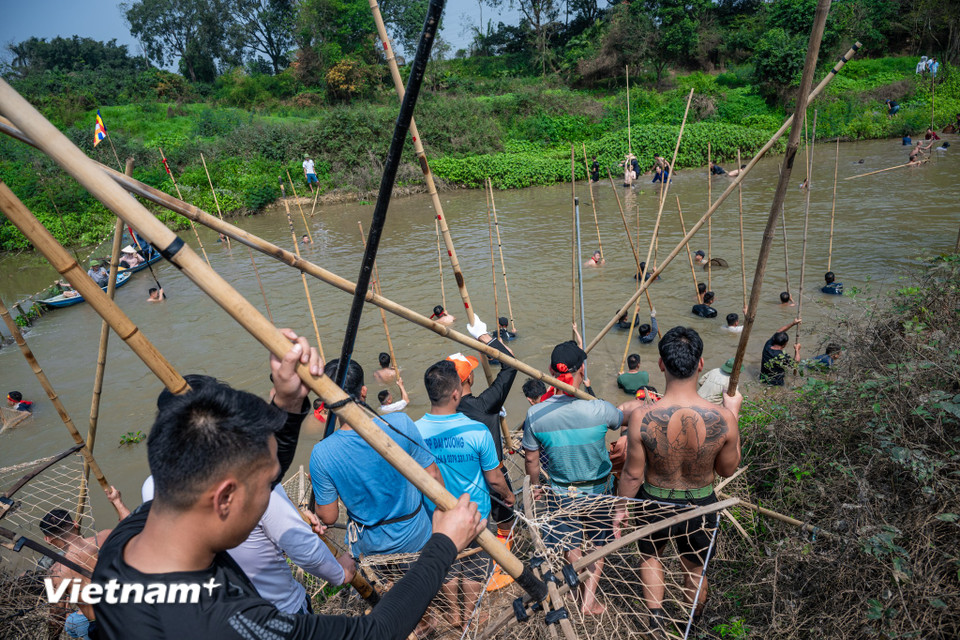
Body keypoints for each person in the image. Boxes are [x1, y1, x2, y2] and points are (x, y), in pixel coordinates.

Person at [94, 362, 484, 639]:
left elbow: (260, 467)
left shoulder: (125, 541)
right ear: (225, 497)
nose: (276, 494)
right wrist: (444, 543)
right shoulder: (233, 624)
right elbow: (376, 630)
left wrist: (288, 404)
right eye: (269, 486)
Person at [614, 327, 742, 630]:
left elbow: (633, 473)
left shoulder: (642, 417)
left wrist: (621, 508)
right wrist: (733, 414)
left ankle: (655, 621)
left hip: (654, 500)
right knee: (695, 566)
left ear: (661, 364)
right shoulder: (721, 418)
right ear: (699, 364)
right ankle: (692, 623)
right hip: (700, 504)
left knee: (651, 557)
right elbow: (727, 469)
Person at [522, 340, 635, 614]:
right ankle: (588, 600)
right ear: (582, 371)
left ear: (550, 371)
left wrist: (537, 486)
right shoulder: (599, 408)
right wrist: (638, 407)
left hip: (561, 492)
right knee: (598, 542)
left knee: (570, 543)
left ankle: (577, 592)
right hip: (598, 490)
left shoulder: (535, 414)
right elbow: (623, 418)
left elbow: (531, 460)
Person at [311, 359, 444, 559]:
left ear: (326, 403)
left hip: (370, 547)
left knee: (386, 590)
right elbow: (432, 475)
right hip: (416, 535)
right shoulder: (400, 423)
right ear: (363, 391)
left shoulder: (321, 453)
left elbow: (328, 516)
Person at [415, 360, 513, 628]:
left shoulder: (414, 431)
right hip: (474, 515)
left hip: (435, 516)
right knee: (474, 563)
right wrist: (508, 496)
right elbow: (494, 479)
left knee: (445, 564)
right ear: (457, 393)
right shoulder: (477, 431)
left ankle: (453, 613)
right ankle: (470, 612)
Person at [41, 487, 131, 640]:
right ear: (75, 524)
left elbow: (57, 616)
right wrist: (117, 501)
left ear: (47, 540)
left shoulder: (56, 573)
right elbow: (131, 526)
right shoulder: (105, 536)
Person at [760, 319, 802, 386]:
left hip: (763, 378)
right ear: (785, 344)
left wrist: (793, 323)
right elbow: (795, 363)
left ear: (774, 339)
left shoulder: (767, 345)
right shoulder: (782, 356)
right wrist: (797, 350)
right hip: (776, 384)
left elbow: (779, 332)